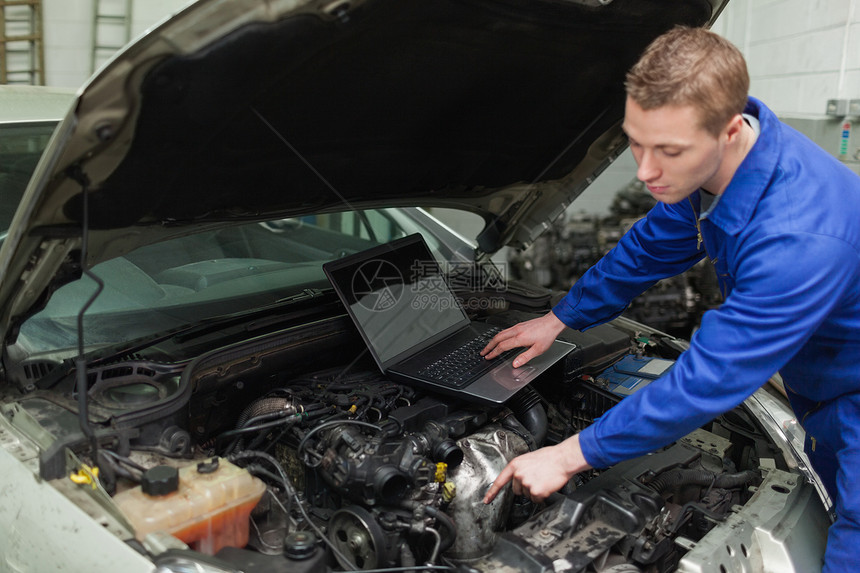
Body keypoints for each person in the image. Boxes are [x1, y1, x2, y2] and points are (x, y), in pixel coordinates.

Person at [480, 26, 860, 572]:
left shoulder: (799, 238)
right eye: (636, 141)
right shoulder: (715, 170)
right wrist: (560, 318)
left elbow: (710, 377)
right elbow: (646, 249)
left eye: (669, 151)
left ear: (730, 130)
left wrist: (569, 454)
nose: (646, 171)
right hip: (819, 386)